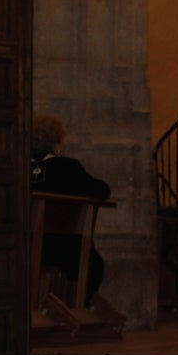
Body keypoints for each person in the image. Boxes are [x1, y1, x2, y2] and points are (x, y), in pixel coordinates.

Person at [30, 114, 111, 305]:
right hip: (59, 247)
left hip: (21, 244)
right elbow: (101, 190)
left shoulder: (18, 166)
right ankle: (73, 308)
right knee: (93, 265)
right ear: (57, 143)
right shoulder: (67, 167)